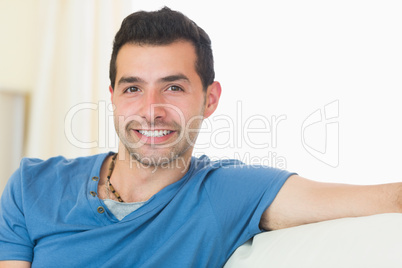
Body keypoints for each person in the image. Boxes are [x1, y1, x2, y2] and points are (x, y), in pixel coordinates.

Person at [0, 7, 401, 268]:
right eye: (133, 88)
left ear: (209, 99)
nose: (152, 109)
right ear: (113, 97)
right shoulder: (32, 186)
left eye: (173, 88)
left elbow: (385, 198)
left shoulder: (226, 193)